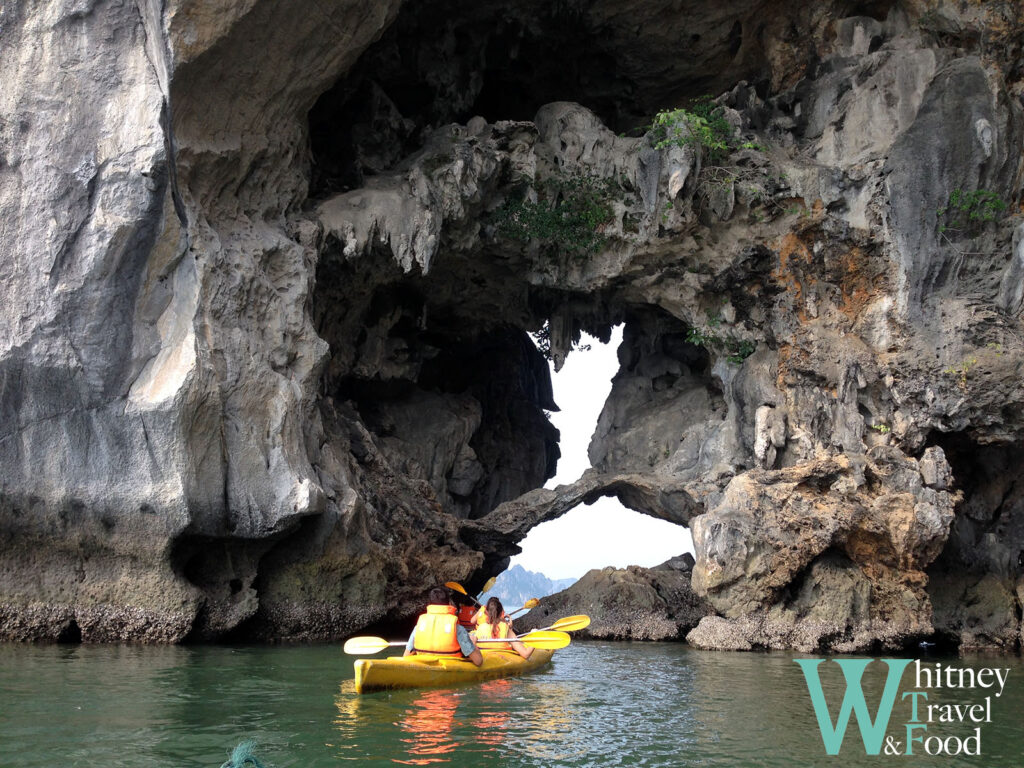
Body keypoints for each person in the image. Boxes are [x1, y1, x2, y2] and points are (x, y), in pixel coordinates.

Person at [405, 587, 483, 666]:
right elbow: (478, 661)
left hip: (424, 666)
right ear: (449, 603)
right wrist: (473, 643)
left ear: (429, 604)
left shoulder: (419, 626)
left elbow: (406, 657)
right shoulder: (457, 628)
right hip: (451, 668)